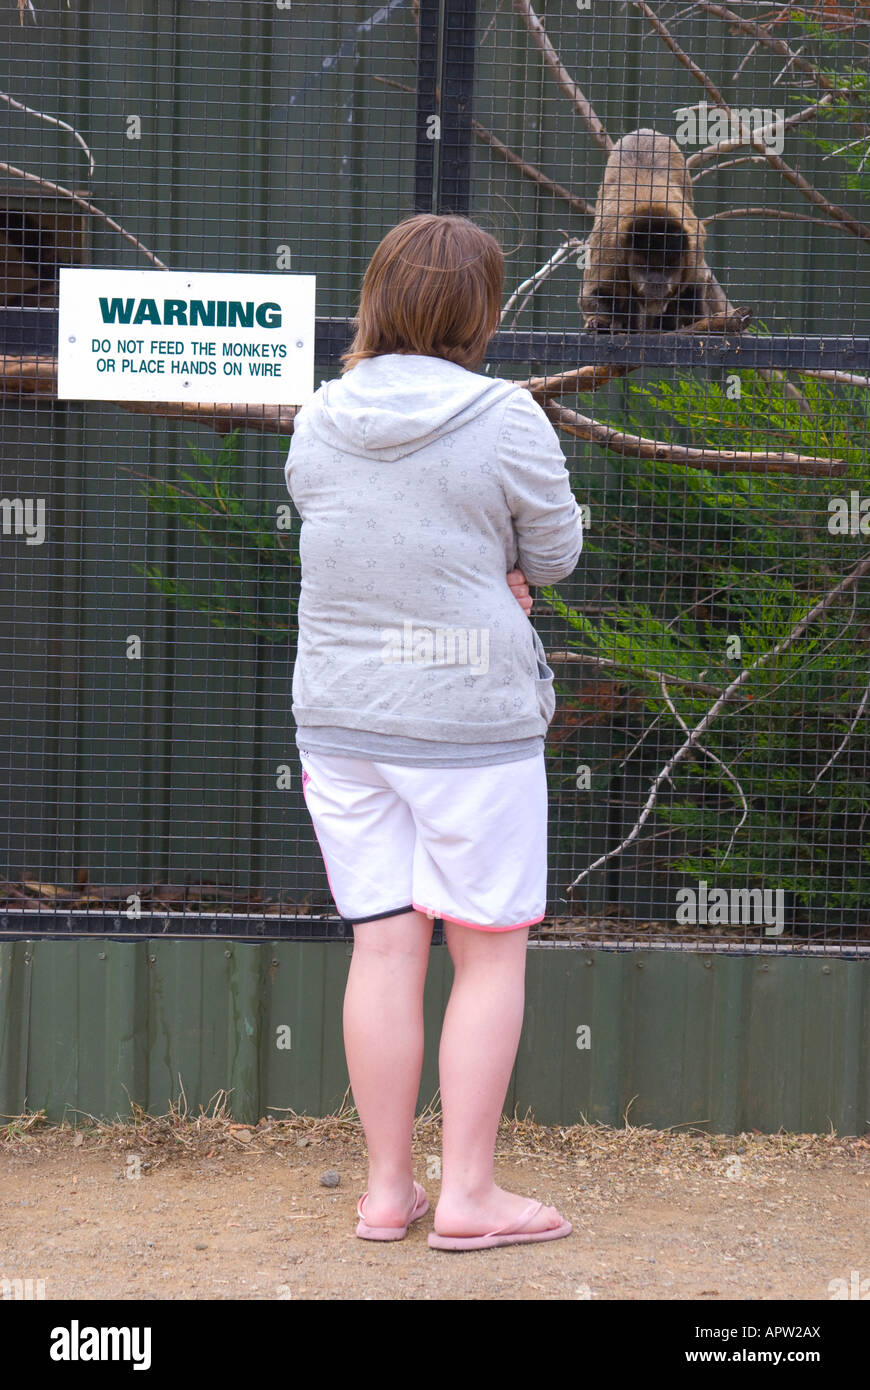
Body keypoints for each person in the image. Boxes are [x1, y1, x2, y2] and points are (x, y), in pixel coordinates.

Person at [283, 213, 584, 1251]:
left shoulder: (319, 416)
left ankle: (383, 1194)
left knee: (384, 945)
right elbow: (556, 552)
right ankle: (468, 1197)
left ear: (375, 296)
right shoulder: (506, 414)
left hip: (341, 722)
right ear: (483, 311)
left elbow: (348, 531)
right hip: (468, 724)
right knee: (489, 953)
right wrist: (496, 573)